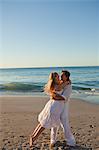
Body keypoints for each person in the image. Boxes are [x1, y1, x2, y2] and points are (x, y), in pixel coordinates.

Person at [29, 72, 70, 147]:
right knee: (44, 124)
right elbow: (64, 85)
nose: (59, 77)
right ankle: (34, 138)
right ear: (53, 79)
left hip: (53, 105)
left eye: (58, 76)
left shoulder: (57, 84)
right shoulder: (57, 86)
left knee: (42, 123)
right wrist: (67, 81)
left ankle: (32, 136)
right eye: (57, 76)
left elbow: (61, 87)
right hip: (54, 107)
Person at [50, 70, 76, 148]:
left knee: (64, 124)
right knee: (54, 123)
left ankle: (70, 141)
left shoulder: (68, 86)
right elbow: (55, 90)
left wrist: (54, 97)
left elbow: (65, 98)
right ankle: (53, 139)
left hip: (64, 107)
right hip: (57, 106)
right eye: (60, 75)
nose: (61, 77)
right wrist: (54, 95)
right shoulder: (61, 83)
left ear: (67, 77)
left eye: (62, 75)